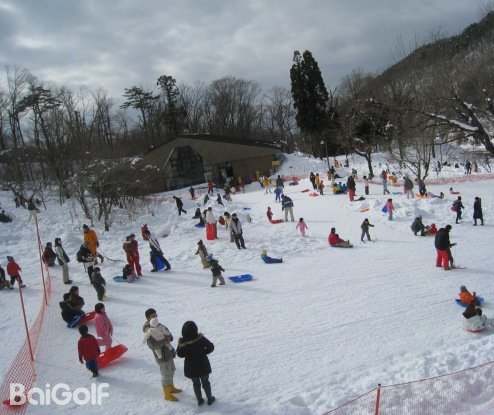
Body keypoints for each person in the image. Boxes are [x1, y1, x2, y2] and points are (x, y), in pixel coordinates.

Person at [143, 308, 181, 400]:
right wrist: (165, 340)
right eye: (153, 316)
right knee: (166, 374)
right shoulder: (149, 331)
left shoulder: (159, 325)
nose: (155, 317)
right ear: (148, 318)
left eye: (156, 315)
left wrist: (169, 337)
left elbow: (169, 334)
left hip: (168, 353)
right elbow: (152, 345)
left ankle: (171, 387)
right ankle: (167, 394)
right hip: (162, 357)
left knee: (171, 370)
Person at [176, 321, 215, 407]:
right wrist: (204, 352)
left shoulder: (183, 342)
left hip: (191, 368)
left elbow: (179, 354)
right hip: (203, 366)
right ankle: (210, 398)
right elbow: (211, 347)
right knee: (206, 382)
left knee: (196, 384)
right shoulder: (200, 338)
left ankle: (200, 400)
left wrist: (181, 345)